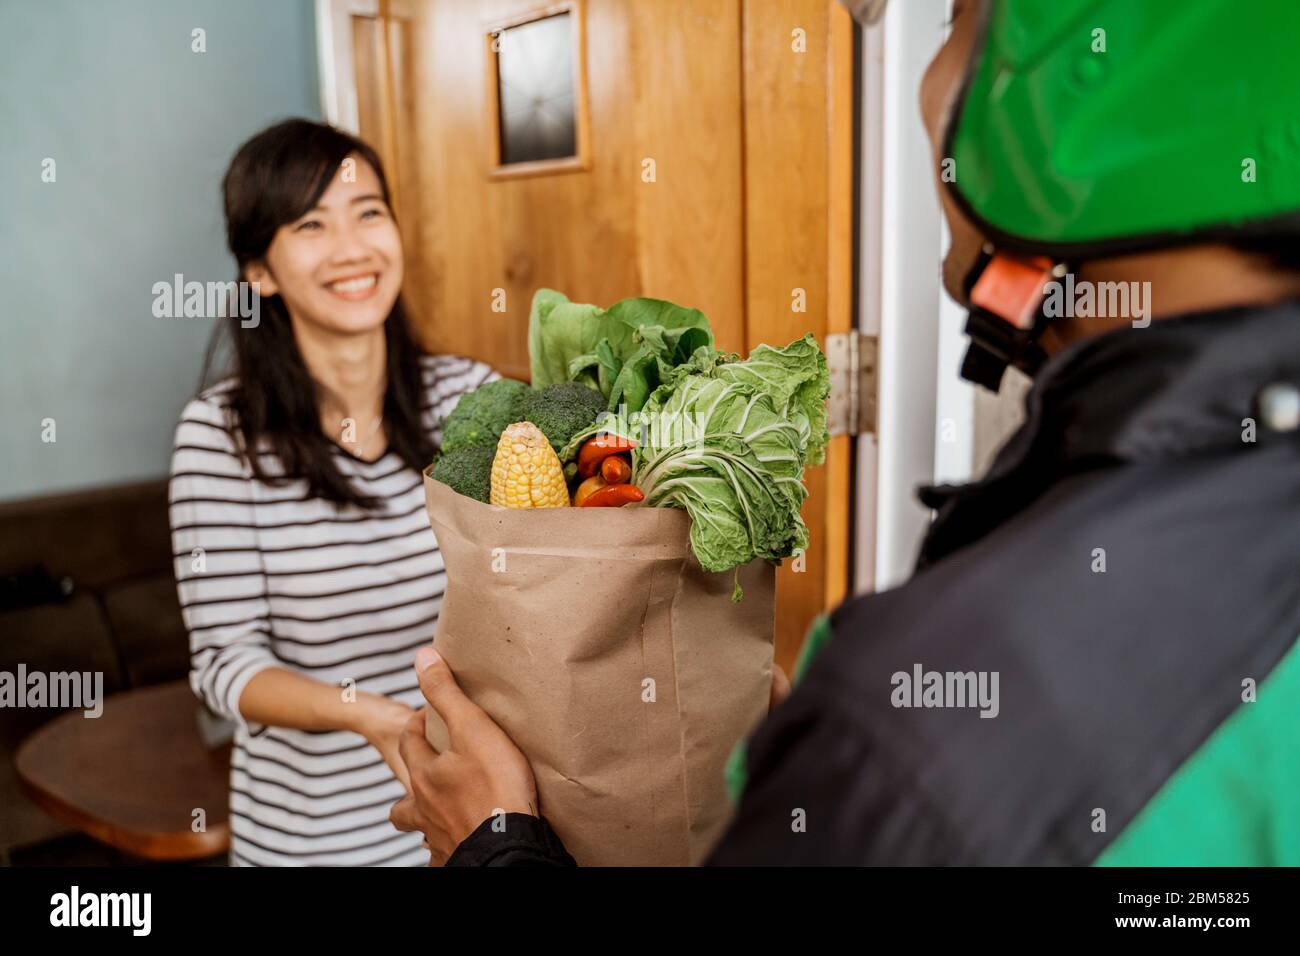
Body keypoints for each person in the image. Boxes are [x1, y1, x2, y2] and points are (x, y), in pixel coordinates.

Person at [389, 0, 1300, 865]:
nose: (928, 80)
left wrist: (496, 843)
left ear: (1073, 93)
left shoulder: (908, 737)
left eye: (954, 24)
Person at [169, 120, 495, 866]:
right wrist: (372, 717)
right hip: (312, 841)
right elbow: (225, 664)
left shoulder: (472, 399)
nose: (352, 248)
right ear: (261, 272)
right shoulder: (222, 437)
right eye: (311, 225)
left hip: (480, 828)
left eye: (369, 212)